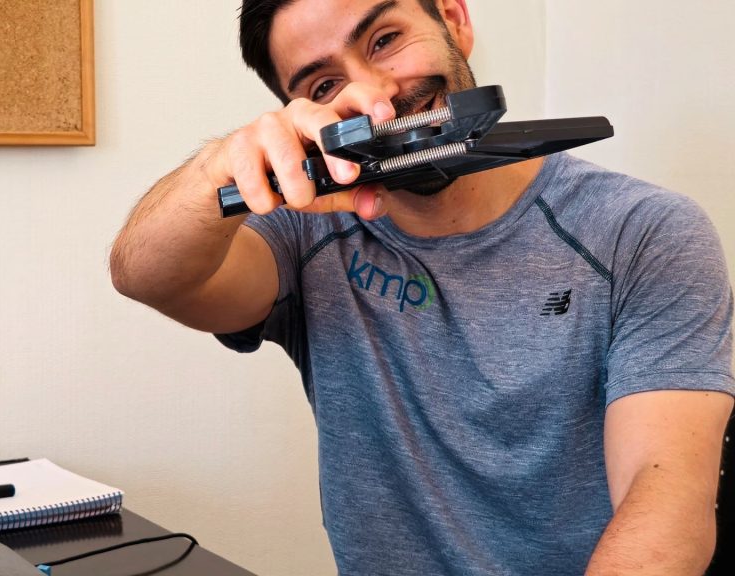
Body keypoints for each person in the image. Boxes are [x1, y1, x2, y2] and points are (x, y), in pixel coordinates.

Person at [110, 0, 735, 574]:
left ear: (454, 20)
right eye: (324, 86)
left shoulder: (641, 230)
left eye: (385, 40)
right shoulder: (305, 231)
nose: (374, 95)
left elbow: (665, 500)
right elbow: (145, 274)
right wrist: (214, 168)